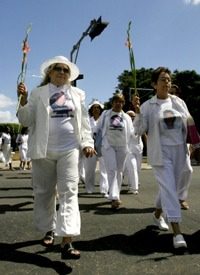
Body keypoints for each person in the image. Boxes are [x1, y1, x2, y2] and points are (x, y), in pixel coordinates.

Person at [17, 55, 95, 259]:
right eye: (58, 69)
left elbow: (84, 123)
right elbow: (25, 120)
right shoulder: (38, 93)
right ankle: (49, 229)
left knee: (69, 191)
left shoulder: (77, 94)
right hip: (43, 150)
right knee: (44, 192)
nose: (62, 72)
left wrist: (87, 143)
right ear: (49, 72)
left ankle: (67, 241)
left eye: (66, 70)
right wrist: (22, 101)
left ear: (70, 75)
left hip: (70, 149)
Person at [132, 67, 193, 249]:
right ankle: (177, 233)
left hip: (180, 151)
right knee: (169, 189)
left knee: (171, 185)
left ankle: (157, 214)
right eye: (162, 79)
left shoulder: (179, 102)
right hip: (161, 154)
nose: (166, 83)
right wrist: (137, 112)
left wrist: (195, 145)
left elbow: (189, 123)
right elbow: (138, 130)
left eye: (168, 79)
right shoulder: (147, 106)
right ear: (154, 84)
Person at [95, 93, 134, 209]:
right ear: (112, 102)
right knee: (112, 170)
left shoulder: (126, 117)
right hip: (108, 146)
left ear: (124, 103)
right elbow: (98, 129)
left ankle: (115, 194)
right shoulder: (106, 114)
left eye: (121, 101)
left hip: (122, 146)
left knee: (119, 171)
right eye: (116, 101)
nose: (118, 103)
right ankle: (114, 197)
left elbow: (131, 132)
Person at [169, 84, 193, 210]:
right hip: (167, 144)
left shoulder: (181, 103)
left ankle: (181, 198)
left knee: (188, 170)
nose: (173, 94)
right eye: (170, 92)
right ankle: (167, 201)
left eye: (175, 92)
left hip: (182, 142)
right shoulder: (162, 103)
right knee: (169, 174)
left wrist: (191, 142)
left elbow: (188, 120)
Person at [83, 99, 108, 196]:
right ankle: (89, 188)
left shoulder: (104, 120)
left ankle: (104, 189)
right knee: (89, 169)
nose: (96, 109)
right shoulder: (87, 121)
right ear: (91, 110)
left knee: (104, 169)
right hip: (91, 147)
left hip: (102, 147)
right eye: (94, 108)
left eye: (98, 107)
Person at [123, 110, 144, 194]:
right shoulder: (123, 124)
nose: (131, 117)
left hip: (139, 149)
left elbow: (144, 133)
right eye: (129, 116)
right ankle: (134, 188)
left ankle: (131, 183)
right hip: (128, 150)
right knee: (132, 167)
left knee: (137, 168)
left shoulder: (139, 124)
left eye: (133, 116)